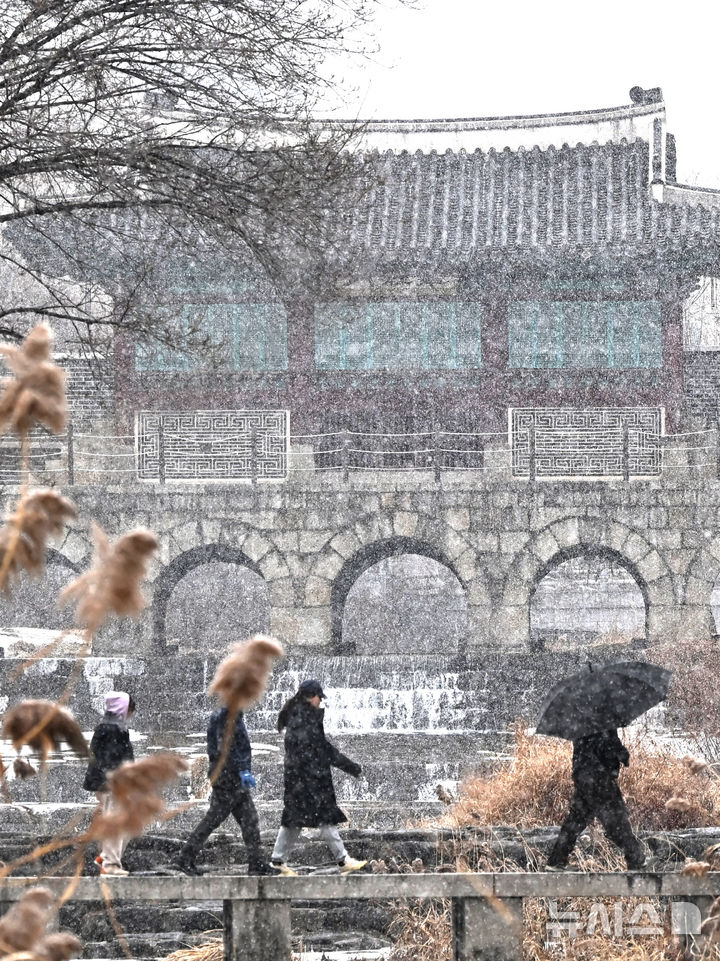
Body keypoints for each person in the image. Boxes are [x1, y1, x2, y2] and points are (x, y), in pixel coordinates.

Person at [271, 679, 367, 875]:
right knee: (322, 819)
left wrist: (349, 767)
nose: (320, 702)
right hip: (309, 781)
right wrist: (349, 767)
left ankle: (278, 862)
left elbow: (319, 749)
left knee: (294, 821)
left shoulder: (300, 716)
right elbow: (320, 750)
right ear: (311, 696)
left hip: (301, 780)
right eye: (319, 698)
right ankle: (342, 860)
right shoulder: (303, 718)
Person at [173, 705, 278, 876]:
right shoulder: (227, 715)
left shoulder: (227, 713)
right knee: (215, 819)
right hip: (229, 777)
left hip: (230, 776)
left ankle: (257, 863)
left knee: (249, 819)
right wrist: (242, 768)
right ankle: (185, 857)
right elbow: (226, 747)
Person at [546, 728, 645, 871]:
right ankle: (635, 859)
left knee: (576, 820)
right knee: (616, 819)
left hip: (583, 775)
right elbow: (607, 747)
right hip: (599, 778)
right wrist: (622, 753)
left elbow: (590, 747)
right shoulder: (604, 718)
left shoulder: (583, 720)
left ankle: (556, 861)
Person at [84, 690, 136, 876]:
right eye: (130, 709)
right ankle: (110, 864)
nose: (131, 714)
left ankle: (105, 857)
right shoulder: (113, 728)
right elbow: (114, 761)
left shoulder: (111, 727)